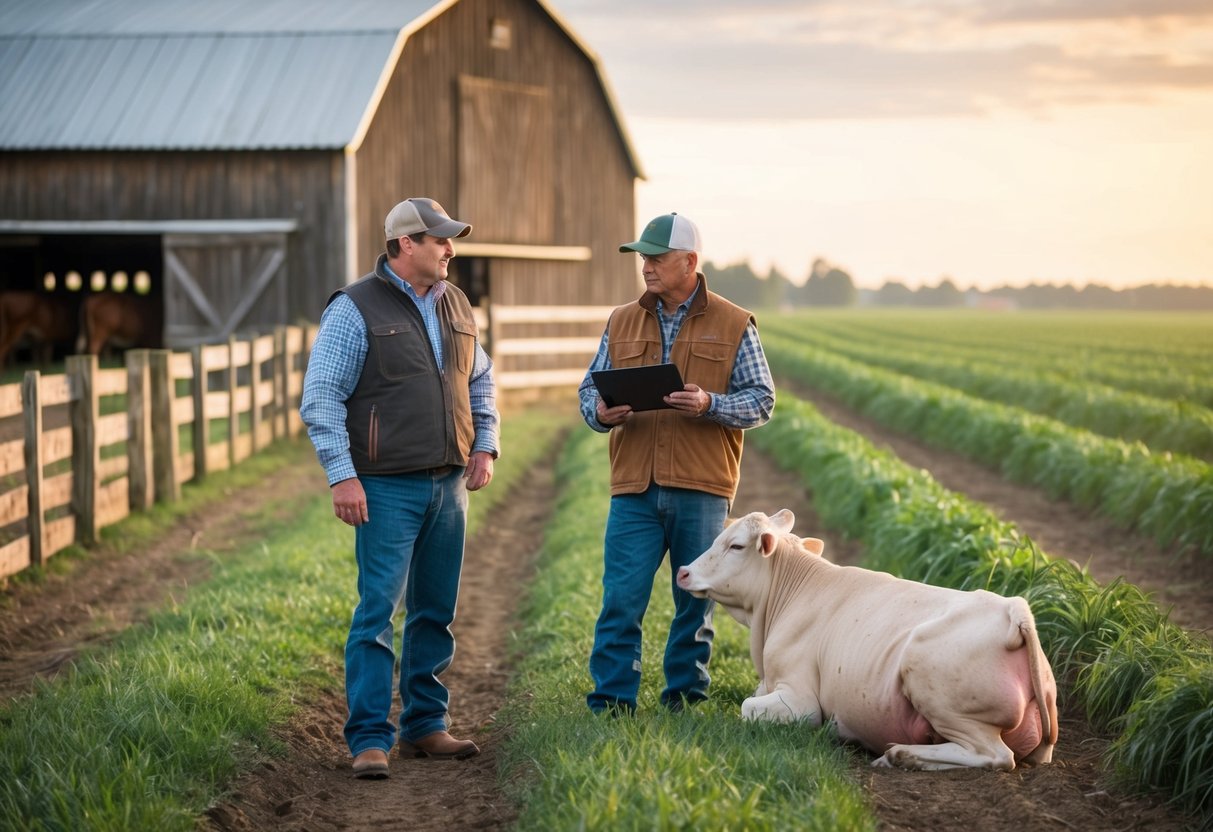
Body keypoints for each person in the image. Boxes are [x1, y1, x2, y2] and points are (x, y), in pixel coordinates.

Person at [301, 197, 500, 779]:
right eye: (439, 239)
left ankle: (425, 726)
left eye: (449, 239)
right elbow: (321, 400)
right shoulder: (354, 308)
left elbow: (481, 381)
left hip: (449, 485)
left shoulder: (457, 303)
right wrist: (342, 474)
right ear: (405, 244)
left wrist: (484, 444)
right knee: (377, 614)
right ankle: (368, 738)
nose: (450, 248)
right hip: (385, 487)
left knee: (435, 610)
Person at [577, 211, 775, 715]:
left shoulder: (735, 323)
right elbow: (588, 387)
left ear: (689, 262)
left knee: (695, 602)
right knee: (621, 600)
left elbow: (762, 400)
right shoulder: (621, 319)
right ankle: (611, 703)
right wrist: (600, 412)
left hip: (702, 486)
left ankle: (684, 698)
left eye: (656, 258)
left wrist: (711, 404)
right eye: (643, 257)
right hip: (634, 487)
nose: (646, 266)